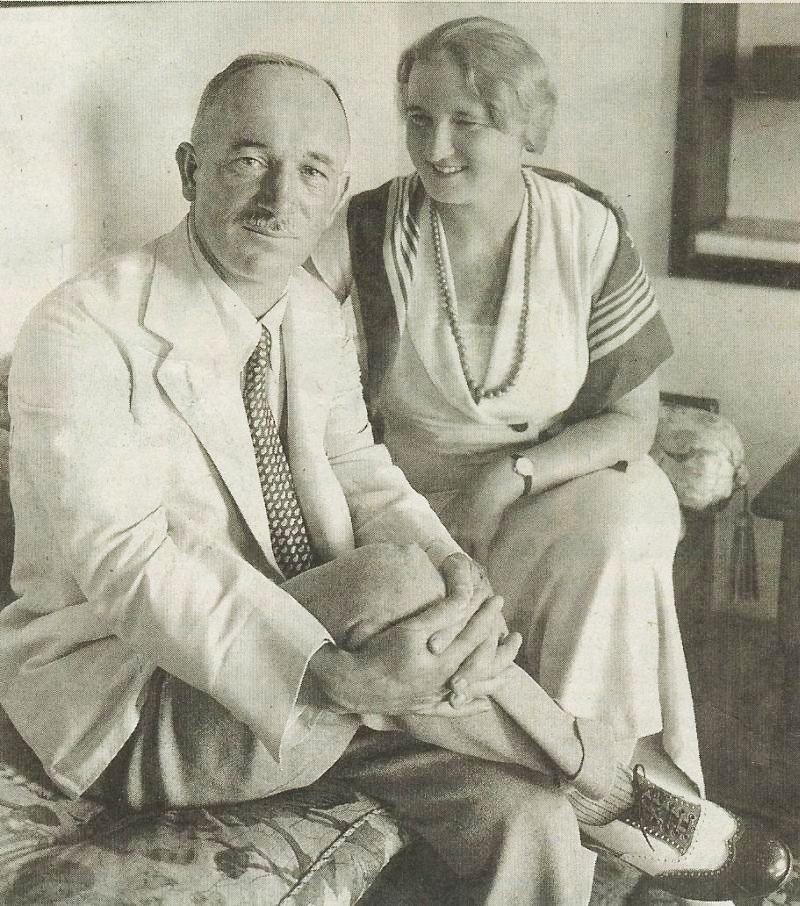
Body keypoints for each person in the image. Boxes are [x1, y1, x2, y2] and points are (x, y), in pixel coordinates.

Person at [0, 51, 788, 906]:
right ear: (190, 171)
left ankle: (580, 794)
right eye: (249, 161)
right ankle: (606, 781)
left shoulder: (309, 310)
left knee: (529, 816)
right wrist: (331, 673)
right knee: (387, 581)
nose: (279, 198)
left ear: (335, 191)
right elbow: (131, 568)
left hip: (340, 674)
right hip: (141, 705)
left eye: (311, 172)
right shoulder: (82, 329)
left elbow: (360, 470)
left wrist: (458, 573)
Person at [309, 17, 794, 902]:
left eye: (467, 122)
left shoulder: (585, 227)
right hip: (410, 502)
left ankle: (593, 814)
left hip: (558, 478)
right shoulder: (368, 229)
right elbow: (304, 386)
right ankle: (625, 812)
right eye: (418, 118)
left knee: (619, 523)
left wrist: (512, 476)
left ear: (527, 128)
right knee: (447, 578)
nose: (435, 147)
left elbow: (633, 420)